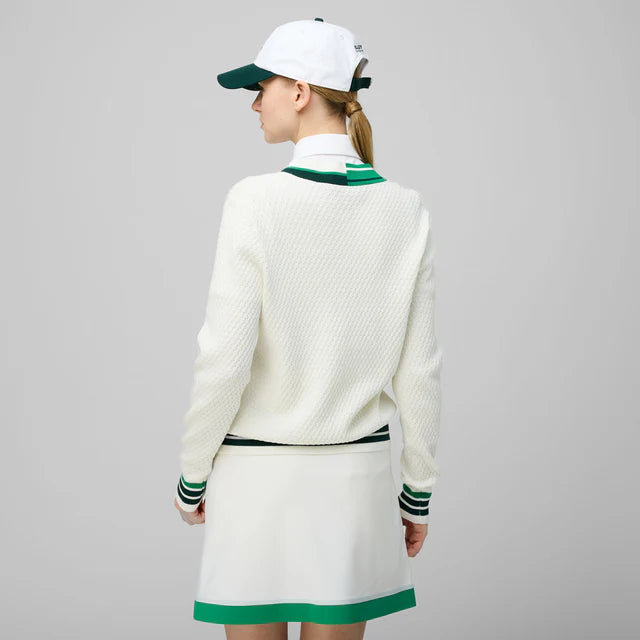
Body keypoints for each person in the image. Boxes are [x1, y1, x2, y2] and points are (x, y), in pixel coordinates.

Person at [172, 17, 444, 640]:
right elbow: (420, 370)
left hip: (256, 480)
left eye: (261, 86)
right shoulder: (405, 209)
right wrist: (417, 491)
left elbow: (224, 358)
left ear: (298, 92)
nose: (254, 102)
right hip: (356, 482)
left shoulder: (255, 201)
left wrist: (192, 474)